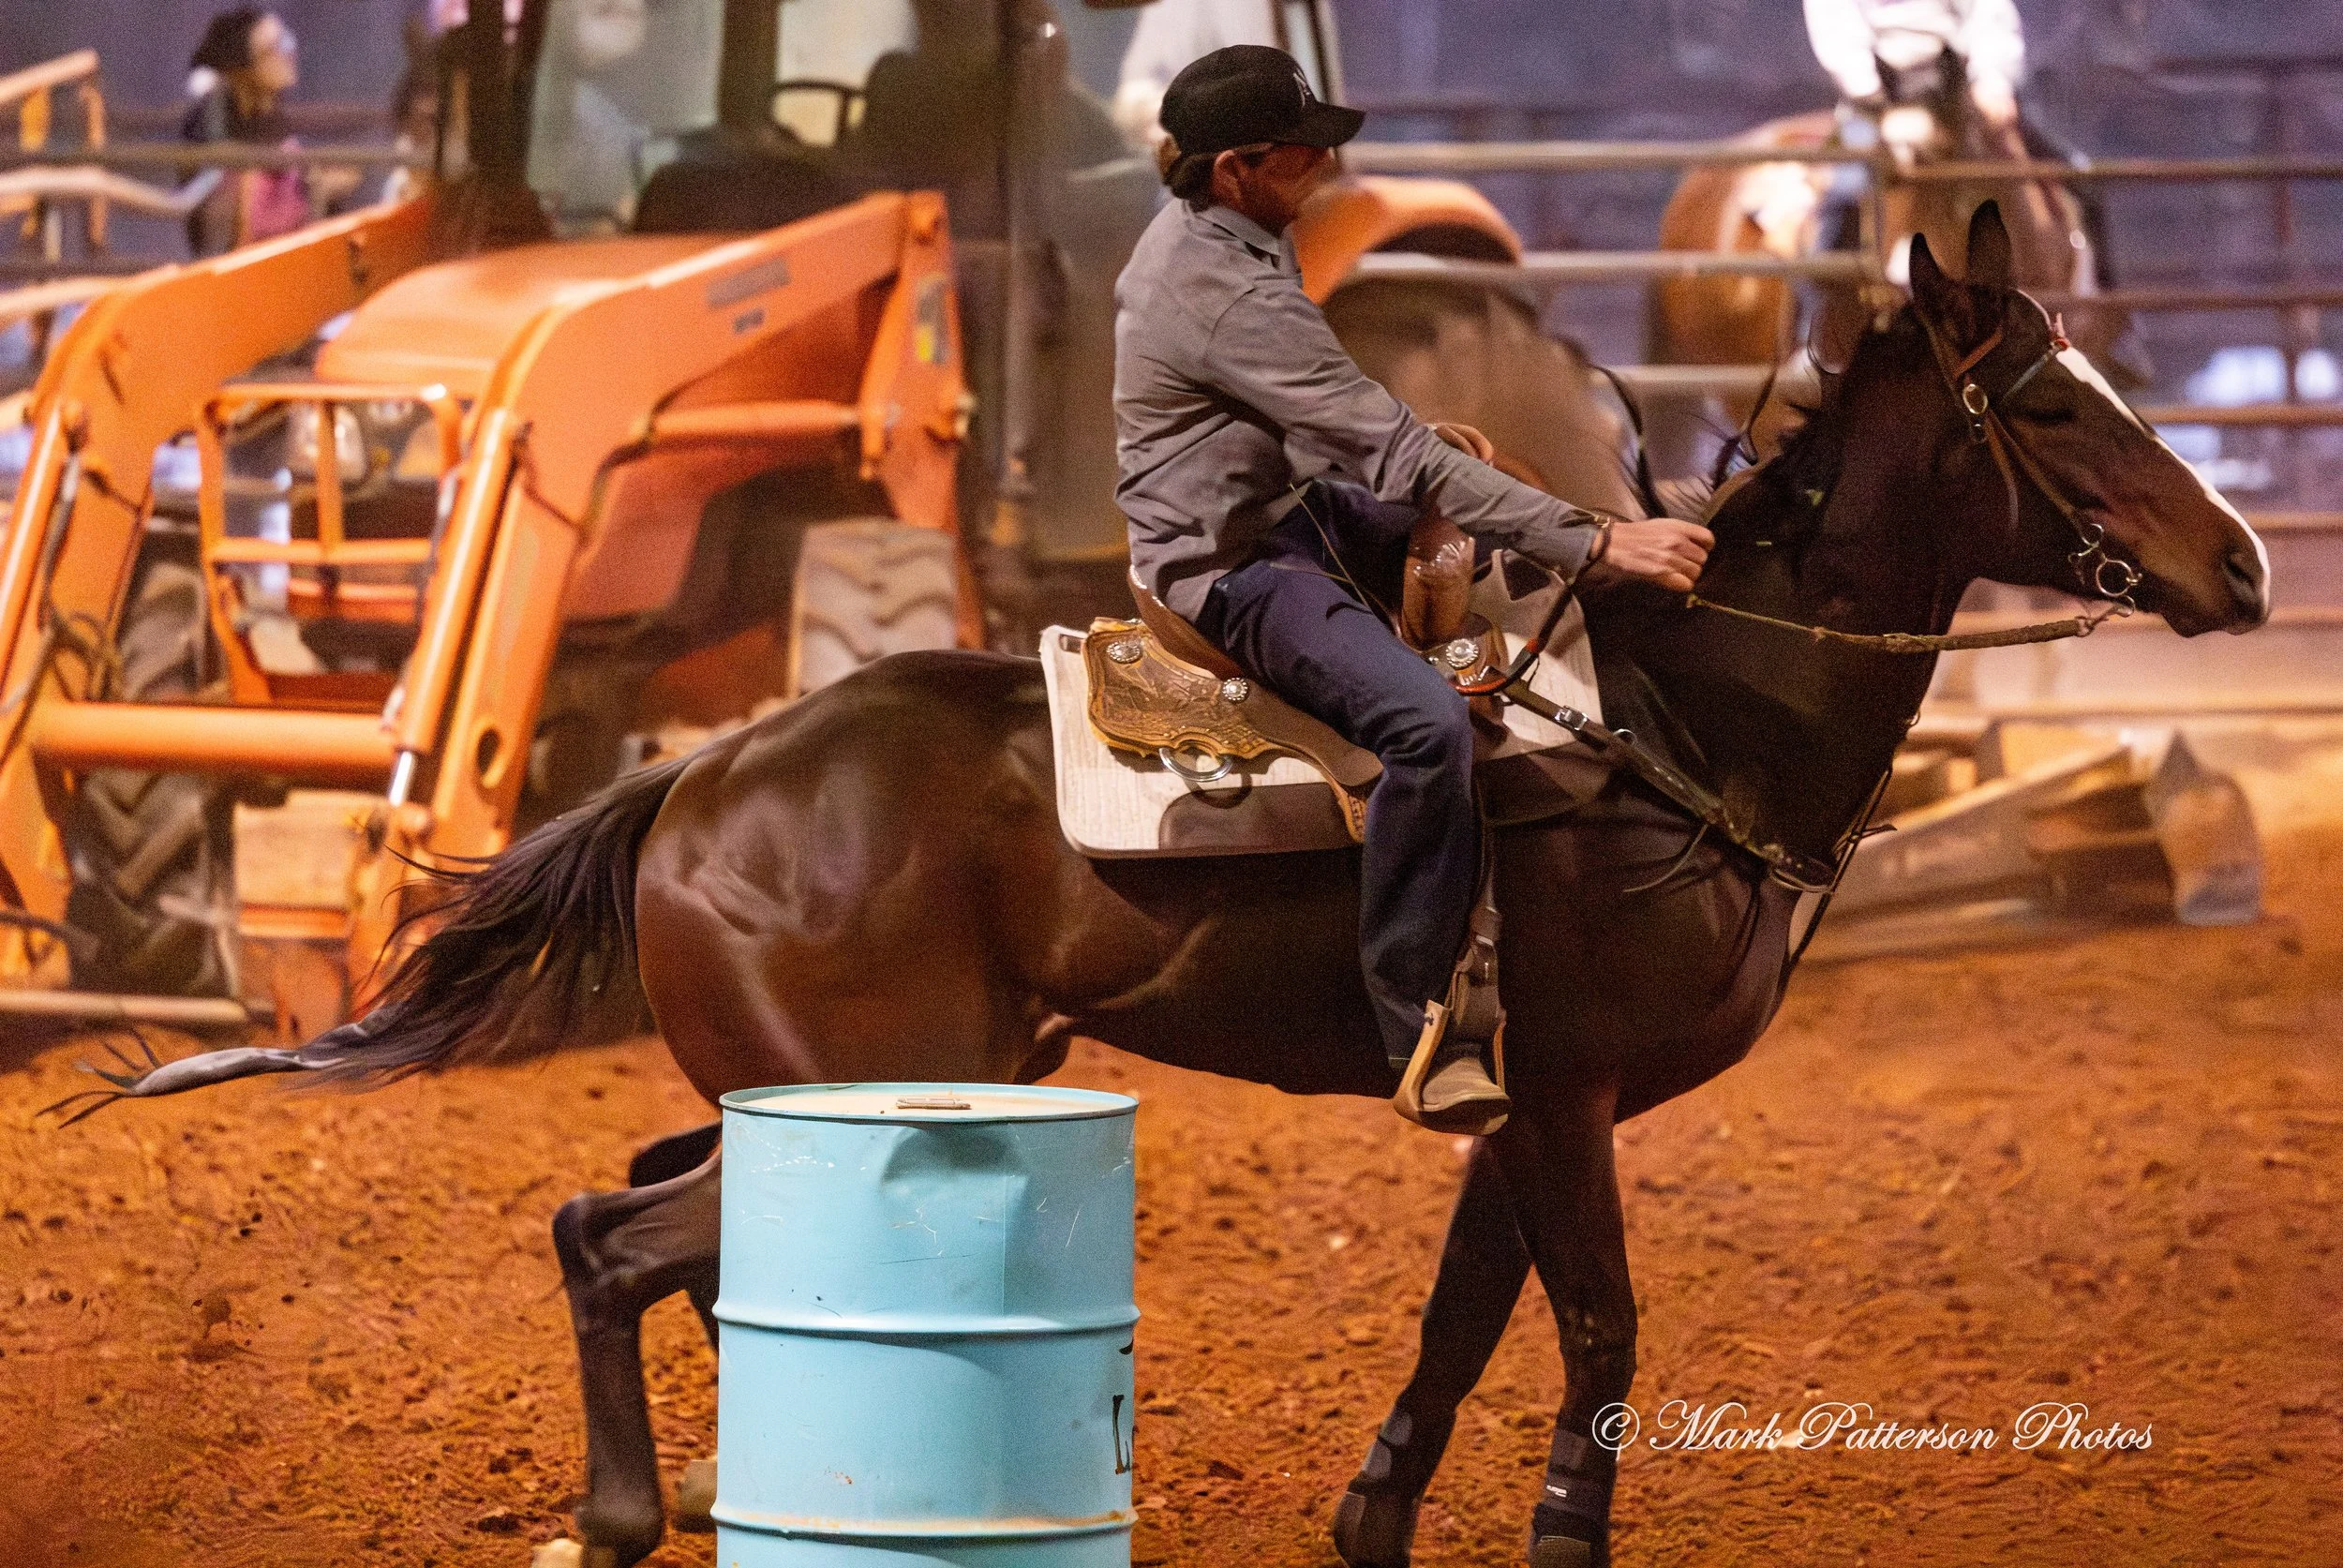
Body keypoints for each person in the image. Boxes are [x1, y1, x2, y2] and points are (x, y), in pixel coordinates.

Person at [1113, 45, 1714, 1133]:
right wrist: (1598, 542)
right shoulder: (1225, 290)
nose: (1329, 169)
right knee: (1424, 721)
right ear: (1241, 166)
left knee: (1488, 569)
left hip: (1276, 506)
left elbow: (1350, 435)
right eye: (1306, 155)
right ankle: (1416, 1017)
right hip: (1232, 561)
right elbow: (1400, 458)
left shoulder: (1229, 237)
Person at [180, 7, 309, 256]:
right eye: (275, 48)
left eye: (287, 40)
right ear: (240, 72)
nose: (289, 52)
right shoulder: (215, 135)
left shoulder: (276, 120)